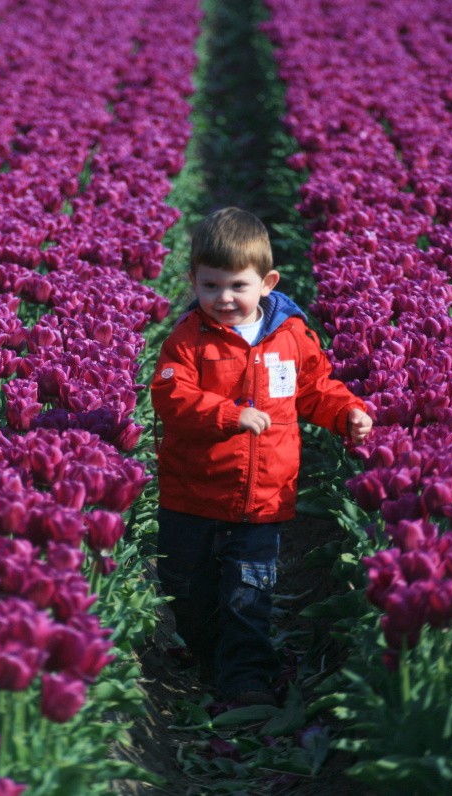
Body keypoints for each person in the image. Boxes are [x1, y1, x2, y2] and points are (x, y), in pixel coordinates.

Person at [151, 207, 372, 706]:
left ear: (267, 282)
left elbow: (316, 389)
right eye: (210, 287)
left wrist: (349, 414)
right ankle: (208, 652)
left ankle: (246, 677)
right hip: (193, 493)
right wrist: (228, 415)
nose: (223, 299)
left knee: (248, 593)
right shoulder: (189, 340)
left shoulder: (291, 338)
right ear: (193, 281)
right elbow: (171, 396)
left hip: (262, 499)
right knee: (187, 588)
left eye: (236, 286)